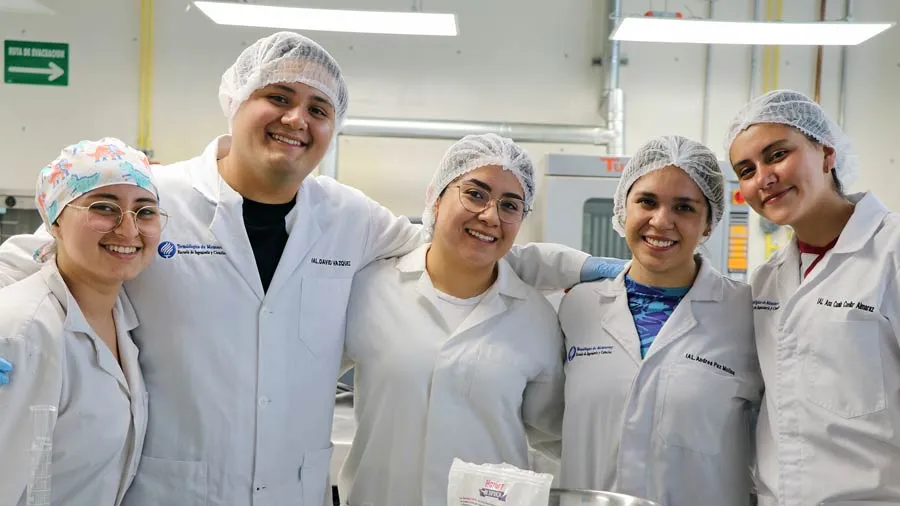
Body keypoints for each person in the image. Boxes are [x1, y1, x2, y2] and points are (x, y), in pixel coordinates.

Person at [0, 32, 623, 505]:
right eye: (278, 97)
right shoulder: (156, 198)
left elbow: (458, 243)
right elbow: (42, 251)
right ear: (236, 101)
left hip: (291, 488)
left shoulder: (349, 217)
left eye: (318, 108)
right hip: (173, 487)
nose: (297, 119)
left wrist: (582, 265)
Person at [339, 134, 565, 506]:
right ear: (436, 198)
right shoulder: (369, 289)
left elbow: (553, 438)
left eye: (510, 205)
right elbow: (303, 384)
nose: (490, 216)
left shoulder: (536, 316)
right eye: (475, 194)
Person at [557, 135, 763, 505]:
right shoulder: (577, 307)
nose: (661, 221)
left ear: (708, 224)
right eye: (647, 202)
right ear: (623, 208)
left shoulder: (746, 315)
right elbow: (548, 427)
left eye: (684, 207)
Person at [726, 89, 900, 505]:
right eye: (746, 170)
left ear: (826, 153)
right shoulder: (767, 281)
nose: (763, 178)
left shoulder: (891, 252)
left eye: (777, 154)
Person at [0, 138, 165, 505]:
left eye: (145, 211)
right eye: (104, 207)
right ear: (54, 221)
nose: (128, 230)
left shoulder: (121, 321)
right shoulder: (20, 332)